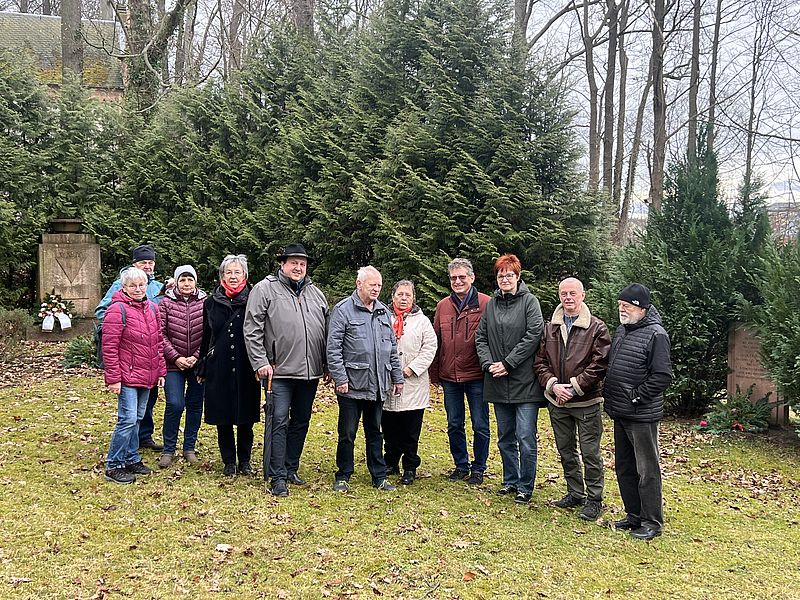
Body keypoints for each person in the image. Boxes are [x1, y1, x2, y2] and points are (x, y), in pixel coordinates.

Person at [244, 243, 329, 497]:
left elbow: (326, 331)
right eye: (293, 263)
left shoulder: (316, 294)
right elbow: (252, 328)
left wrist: (326, 364)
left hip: (309, 372)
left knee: (301, 420)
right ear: (283, 264)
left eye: (302, 264)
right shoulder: (265, 289)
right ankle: (277, 476)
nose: (298, 268)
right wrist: (260, 361)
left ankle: (291, 467)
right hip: (278, 371)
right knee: (278, 421)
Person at [534, 277, 611, 520]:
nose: (568, 297)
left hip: (586, 401)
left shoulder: (597, 328)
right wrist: (553, 385)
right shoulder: (550, 328)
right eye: (564, 293)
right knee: (566, 450)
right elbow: (540, 362)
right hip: (558, 401)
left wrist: (575, 387)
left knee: (590, 453)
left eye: (572, 293)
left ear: (582, 295)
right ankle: (575, 493)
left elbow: (600, 364)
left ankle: (594, 499)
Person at [604, 283, 672, 541]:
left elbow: (662, 375)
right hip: (620, 411)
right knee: (624, 467)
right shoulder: (622, 330)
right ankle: (633, 515)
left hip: (641, 415)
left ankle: (652, 522)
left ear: (642, 308)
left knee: (647, 470)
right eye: (620, 305)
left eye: (627, 306)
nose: (622, 310)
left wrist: (637, 396)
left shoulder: (656, 335)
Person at [327, 266, 404, 492]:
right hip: (351, 385)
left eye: (379, 285)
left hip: (378, 384)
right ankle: (343, 475)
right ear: (359, 284)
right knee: (347, 433)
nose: (376, 289)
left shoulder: (383, 312)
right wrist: (340, 378)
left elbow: (391, 348)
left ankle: (379, 476)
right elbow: (333, 348)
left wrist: (397, 377)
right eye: (372, 284)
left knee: (375, 432)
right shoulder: (342, 310)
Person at [475, 254, 544, 504]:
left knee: (525, 436)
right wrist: (488, 364)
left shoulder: (530, 302)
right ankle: (510, 480)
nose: (505, 279)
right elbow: (481, 337)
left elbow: (533, 335)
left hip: (524, 383)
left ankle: (526, 485)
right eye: (501, 275)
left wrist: (508, 363)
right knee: (505, 436)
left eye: (509, 275)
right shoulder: (491, 305)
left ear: (518, 276)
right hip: (497, 382)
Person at [95, 244, 171, 452]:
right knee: (129, 412)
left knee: (147, 403)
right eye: (143, 262)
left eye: (150, 262)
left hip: (150, 356)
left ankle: (142, 437)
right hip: (130, 357)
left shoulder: (160, 286)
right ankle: (121, 454)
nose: (147, 266)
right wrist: (127, 321)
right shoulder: (120, 286)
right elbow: (102, 311)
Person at [197, 255, 261, 477]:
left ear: (245, 275)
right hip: (219, 365)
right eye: (229, 272)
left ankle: (245, 461)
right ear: (222, 276)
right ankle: (228, 462)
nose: (233, 276)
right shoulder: (210, 303)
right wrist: (203, 365)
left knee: (246, 417)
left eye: (237, 272)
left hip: (247, 364)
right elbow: (207, 336)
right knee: (222, 416)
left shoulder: (254, 299)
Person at [102, 267, 167, 484]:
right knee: (127, 419)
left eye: (141, 285)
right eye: (133, 286)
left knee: (138, 418)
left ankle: (131, 458)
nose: (138, 289)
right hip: (126, 376)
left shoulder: (152, 309)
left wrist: (160, 371)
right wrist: (113, 379)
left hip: (147, 374)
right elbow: (109, 347)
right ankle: (114, 464)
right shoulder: (116, 310)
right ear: (124, 287)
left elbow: (158, 343)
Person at [430, 258, 491, 485]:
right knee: (454, 423)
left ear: (471, 278)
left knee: (480, 424)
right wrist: (435, 373)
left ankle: (479, 467)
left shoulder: (486, 304)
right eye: (453, 278)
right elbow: (436, 340)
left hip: (476, 375)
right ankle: (460, 464)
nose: (457, 281)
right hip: (449, 376)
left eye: (461, 277)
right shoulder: (443, 306)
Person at [382, 280, 437, 485]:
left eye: (408, 295)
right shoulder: (383, 317)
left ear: (413, 298)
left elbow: (429, 348)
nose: (404, 298)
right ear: (393, 296)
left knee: (410, 429)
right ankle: (391, 461)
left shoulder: (422, 321)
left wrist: (410, 369)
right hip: (388, 381)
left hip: (413, 383)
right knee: (389, 426)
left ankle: (410, 466)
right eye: (400, 294)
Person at [157, 265, 206, 468]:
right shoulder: (166, 303)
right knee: (175, 404)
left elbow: (209, 333)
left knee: (195, 404)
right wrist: (175, 357)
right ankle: (168, 449)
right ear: (176, 282)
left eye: (190, 279)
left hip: (197, 364)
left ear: (195, 282)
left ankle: (189, 448)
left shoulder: (205, 302)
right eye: (182, 280)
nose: (186, 284)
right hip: (173, 364)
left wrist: (196, 356)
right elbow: (160, 333)